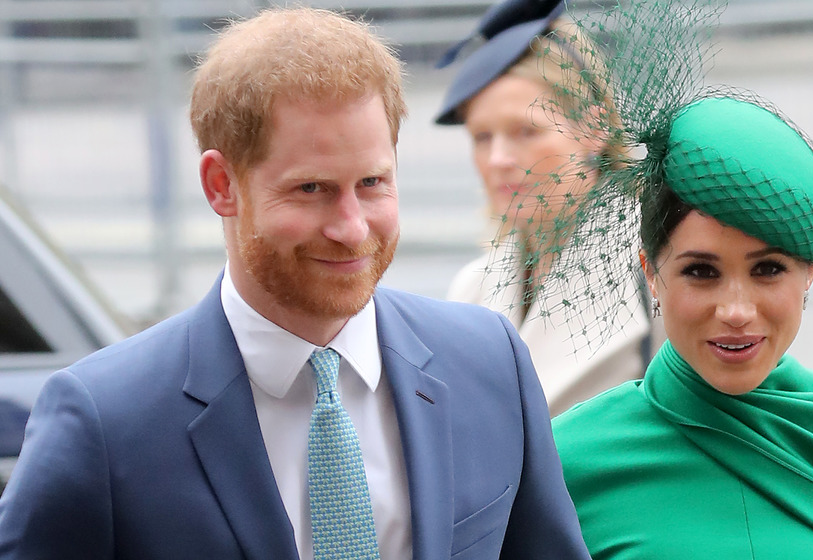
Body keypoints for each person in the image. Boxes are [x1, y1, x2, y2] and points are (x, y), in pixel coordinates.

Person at [0, 8, 590, 560]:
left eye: (372, 183)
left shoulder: (488, 361)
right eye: (311, 189)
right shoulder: (104, 421)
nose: (352, 228)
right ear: (220, 185)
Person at [553, 94, 813, 559]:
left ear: (810, 272)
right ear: (650, 274)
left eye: (767, 270)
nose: (736, 311)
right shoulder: (568, 466)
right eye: (701, 272)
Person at [434, 0, 661, 415]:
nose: (498, 158)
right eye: (482, 137)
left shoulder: (660, 271)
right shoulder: (471, 289)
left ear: (594, 128)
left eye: (526, 131)